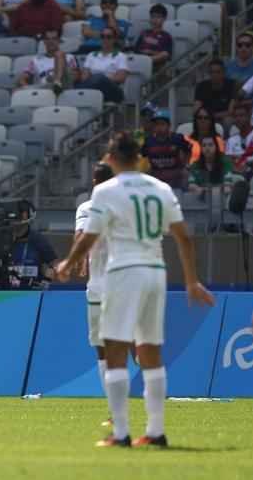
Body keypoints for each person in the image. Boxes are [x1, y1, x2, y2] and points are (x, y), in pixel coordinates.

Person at [55, 132, 215, 447]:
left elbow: (89, 237)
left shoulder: (105, 191)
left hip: (123, 271)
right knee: (150, 351)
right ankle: (156, 432)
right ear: (139, 158)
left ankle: (121, 433)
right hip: (155, 272)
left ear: (112, 158)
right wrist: (192, 280)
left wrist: (67, 262)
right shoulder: (161, 189)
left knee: (114, 351)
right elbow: (184, 237)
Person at [73, 162, 114, 403]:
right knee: (120, 344)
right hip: (123, 283)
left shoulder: (86, 207)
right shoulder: (126, 207)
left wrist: (75, 262)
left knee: (103, 350)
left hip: (99, 286)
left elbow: (80, 236)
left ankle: (114, 406)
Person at [141, 109, 190, 190]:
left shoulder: (177, 138)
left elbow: (188, 150)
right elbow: (143, 157)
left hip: (175, 175)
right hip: (156, 176)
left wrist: (186, 166)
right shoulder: (148, 141)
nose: (159, 127)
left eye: (162, 124)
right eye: (156, 124)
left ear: (169, 125)